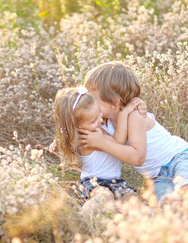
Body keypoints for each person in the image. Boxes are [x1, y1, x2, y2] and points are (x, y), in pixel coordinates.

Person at [78, 61, 188, 209]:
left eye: (92, 98)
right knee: (167, 203)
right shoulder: (101, 121)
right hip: (156, 177)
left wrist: (101, 143)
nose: (88, 103)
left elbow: (137, 157)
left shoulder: (135, 116)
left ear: (114, 101)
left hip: (179, 158)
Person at [52, 86, 149, 217]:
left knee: (130, 198)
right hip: (93, 182)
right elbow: (118, 141)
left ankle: (145, 222)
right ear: (76, 126)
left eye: (98, 114)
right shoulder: (88, 139)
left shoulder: (93, 131)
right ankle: (82, 220)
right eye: (93, 121)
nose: (100, 120)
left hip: (115, 181)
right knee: (104, 196)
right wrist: (124, 113)